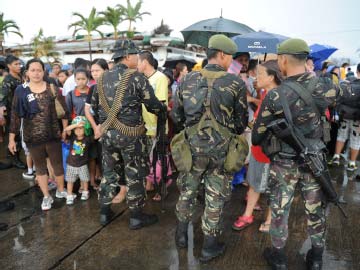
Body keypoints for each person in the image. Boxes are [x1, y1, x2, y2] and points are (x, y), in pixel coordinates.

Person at [252, 38, 340, 270]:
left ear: (282, 59)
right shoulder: (325, 86)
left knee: (280, 210)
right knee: (315, 210)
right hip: (315, 161)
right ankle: (317, 258)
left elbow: (256, 137)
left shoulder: (274, 96)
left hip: (284, 164)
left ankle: (279, 258)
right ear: (306, 60)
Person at [171, 34, 248, 262]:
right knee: (215, 197)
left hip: (191, 149)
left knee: (187, 191)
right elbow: (241, 122)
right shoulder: (235, 83)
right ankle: (209, 247)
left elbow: (176, 115)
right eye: (230, 57)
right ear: (222, 54)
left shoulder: (186, 80)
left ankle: (181, 236)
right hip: (221, 152)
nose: (231, 62)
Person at [90, 39, 166, 227]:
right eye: (135, 55)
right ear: (126, 56)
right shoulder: (136, 77)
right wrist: (164, 110)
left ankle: (104, 213)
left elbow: (93, 106)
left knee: (109, 173)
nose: (137, 58)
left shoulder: (101, 79)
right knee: (135, 174)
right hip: (131, 136)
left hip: (108, 136)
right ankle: (136, 217)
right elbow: (153, 105)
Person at [9, 58, 69, 211]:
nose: (36, 73)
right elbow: (15, 115)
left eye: (39, 70)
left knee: (57, 166)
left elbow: (63, 112)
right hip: (32, 137)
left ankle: (61, 191)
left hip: (52, 135)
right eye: (32, 70)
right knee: (40, 168)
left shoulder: (52, 87)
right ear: (27, 72)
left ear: (44, 72)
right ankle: (47, 196)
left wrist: (65, 130)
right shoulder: (21, 90)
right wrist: (11, 139)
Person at [232, 60, 283, 233]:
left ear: (272, 77)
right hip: (258, 149)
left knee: (272, 187)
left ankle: (270, 220)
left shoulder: (278, 97)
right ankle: (247, 214)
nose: (256, 76)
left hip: (270, 152)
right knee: (254, 183)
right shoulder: (265, 94)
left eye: (260, 74)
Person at [137, 50, 170, 200]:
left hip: (157, 127)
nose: (137, 65)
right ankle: (151, 183)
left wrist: (159, 128)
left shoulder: (160, 78)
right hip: (145, 126)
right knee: (148, 159)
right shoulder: (142, 79)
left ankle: (161, 188)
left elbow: (162, 104)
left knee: (159, 159)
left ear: (145, 62)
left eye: (138, 61)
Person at [328, 63, 360, 171]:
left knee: (341, 135)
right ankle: (351, 163)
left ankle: (336, 157)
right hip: (357, 119)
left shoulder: (347, 83)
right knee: (356, 139)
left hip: (344, 115)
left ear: (357, 72)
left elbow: (339, 99)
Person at [0, 55, 26, 169]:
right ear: (9, 66)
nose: (19, 66)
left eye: (19, 63)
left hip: (23, 111)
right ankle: (14, 158)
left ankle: (13, 154)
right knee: (15, 137)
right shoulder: (8, 80)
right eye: (16, 64)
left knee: (21, 136)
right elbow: (2, 98)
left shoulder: (20, 76)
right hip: (13, 113)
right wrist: (1, 114)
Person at [64, 116, 93, 204]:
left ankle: (85, 192)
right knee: (70, 180)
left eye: (81, 128)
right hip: (71, 164)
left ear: (85, 129)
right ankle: (69, 195)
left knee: (84, 179)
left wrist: (90, 125)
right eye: (76, 129)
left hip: (82, 164)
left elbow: (97, 135)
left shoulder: (87, 139)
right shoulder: (73, 137)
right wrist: (76, 124)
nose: (78, 130)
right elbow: (66, 129)